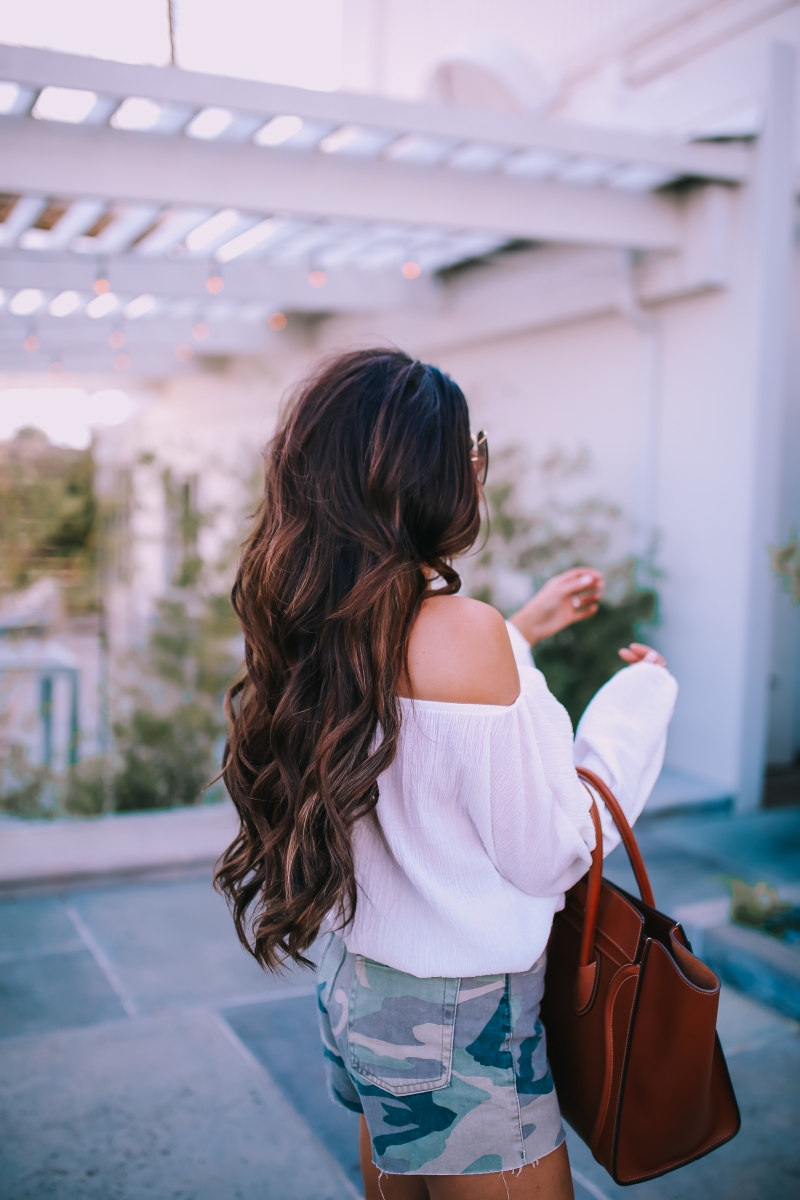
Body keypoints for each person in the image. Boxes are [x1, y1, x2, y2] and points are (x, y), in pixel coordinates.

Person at [216, 350, 677, 1200]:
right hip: (460, 1015)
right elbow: (553, 852)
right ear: (436, 475)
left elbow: (419, 728)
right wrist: (637, 704)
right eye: (472, 451)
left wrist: (520, 633)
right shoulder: (462, 633)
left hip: (361, 987)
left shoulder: (319, 616)